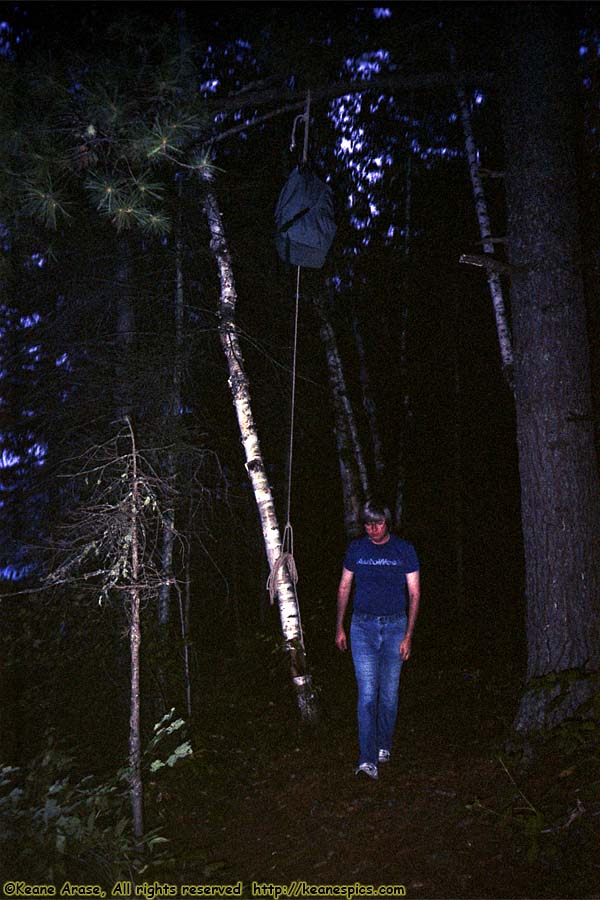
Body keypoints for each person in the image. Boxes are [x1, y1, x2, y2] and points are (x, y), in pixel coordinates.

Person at [336, 499, 420, 780]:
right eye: (368, 524)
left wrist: (408, 634)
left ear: (387, 522)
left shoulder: (403, 550)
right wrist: (340, 626)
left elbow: (414, 594)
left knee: (389, 696)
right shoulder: (356, 549)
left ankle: (384, 745)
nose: (373, 529)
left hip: (395, 626)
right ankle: (366, 759)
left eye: (378, 523)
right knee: (367, 695)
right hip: (362, 628)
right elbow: (345, 585)